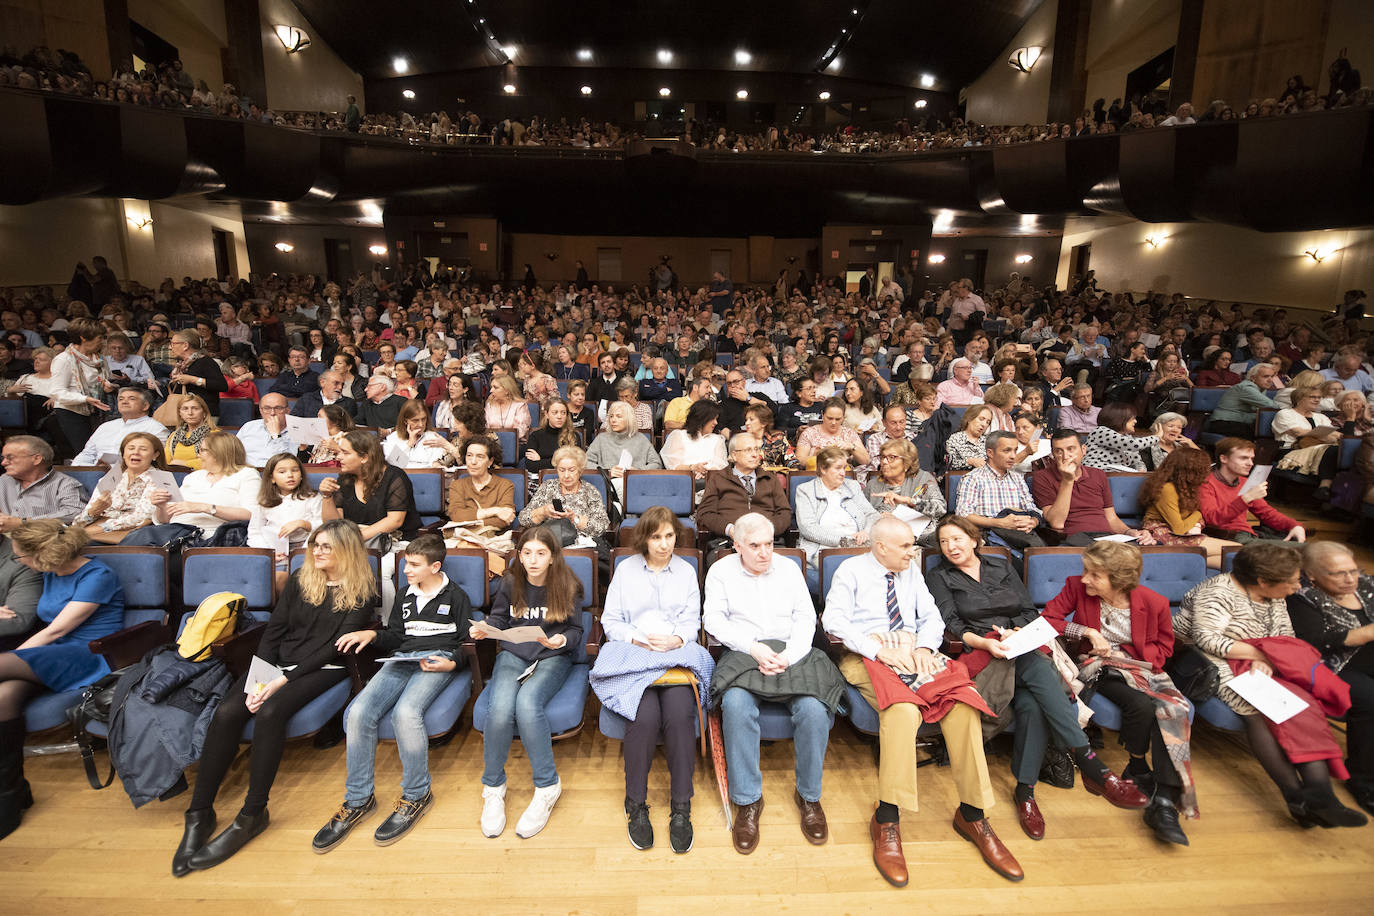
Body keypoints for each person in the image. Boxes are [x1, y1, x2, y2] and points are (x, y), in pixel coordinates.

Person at [823, 516, 1022, 884]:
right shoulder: (850, 571)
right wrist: (877, 650)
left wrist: (927, 647)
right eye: (905, 546)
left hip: (914, 650)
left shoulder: (910, 572)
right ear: (881, 547)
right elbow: (833, 620)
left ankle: (973, 814)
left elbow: (930, 617)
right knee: (902, 711)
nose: (913, 552)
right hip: (867, 653)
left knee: (964, 705)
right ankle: (886, 818)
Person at [925, 515, 1147, 842]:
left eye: (956, 539)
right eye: (944, 542)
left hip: (1020, 644)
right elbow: (953, 625)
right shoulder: (939, 576)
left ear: (974, 539)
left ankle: (1026, 792)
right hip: (982, 653)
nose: (950, 547)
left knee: (1033, 704)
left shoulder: (1002, 566)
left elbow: (1029, 611)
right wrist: (987, 641)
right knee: (1036, 667)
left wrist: (1018, 631)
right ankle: (1089, 765)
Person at [174, 520, 377, 874]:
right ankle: (200, 812)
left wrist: (281, 681)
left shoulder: (361, 592)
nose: (317, 551)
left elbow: (332, 650)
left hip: (323, 667)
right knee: (227, 712)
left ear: (347, 550)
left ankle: (253, 813)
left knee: (269, 715)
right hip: (280, 662)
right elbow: (274, 632)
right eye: (315, 544)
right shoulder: (302, 580)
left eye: (326, 546)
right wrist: (260, 676)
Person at [1177, 543, 1365, 828]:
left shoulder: (1274, 595)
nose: (1296, 588)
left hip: (1260, 658)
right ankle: (1296, 798)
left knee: (1303, 707)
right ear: (1263, 580)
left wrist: (1271, 658)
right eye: (1290, 582)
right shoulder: (1217, 593)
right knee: (1257, 708)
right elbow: (1208, 641)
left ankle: (1320, 795)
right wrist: (1263, 655)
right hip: (1208, 661)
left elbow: (1285, 635)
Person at [313, 532, 474, 851]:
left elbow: (464, 643)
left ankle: (417, 794)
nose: (406, 570)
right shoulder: (404, 595)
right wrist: (371, 635)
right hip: (402, 659)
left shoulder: (456, 596)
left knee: (406, 713)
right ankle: (358, 799)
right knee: (358, 713)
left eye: (414, 565)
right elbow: (397, 637)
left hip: (436, 659)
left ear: (435, 566)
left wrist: (451, 664)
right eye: (406, 563)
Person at [704, 512, 845, 855]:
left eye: (768, 544)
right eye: (754, 546)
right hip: (743, 649)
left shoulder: (788, 568)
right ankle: (748, 801)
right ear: (737, 545)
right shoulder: (721, 571)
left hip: (790, 651)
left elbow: (805, 617)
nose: (764, 553)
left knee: (814, 709)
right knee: (735, 705)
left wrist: (791, 655)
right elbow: (713, 619)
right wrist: (753, 648)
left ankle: (809, 797)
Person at [1043, 542, 1195, 845]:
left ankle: (1165, 799)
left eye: (1095, 575)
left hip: (1140, 667)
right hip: (1097, 666)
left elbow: (1164, 649)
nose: (1085, 579)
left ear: (1119, 579)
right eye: (1086, 571)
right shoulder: (1077, 587)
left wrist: (1128, 654)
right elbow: (1049, 618)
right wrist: (1087, 632)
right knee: (1142, 705)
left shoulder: (1155, 603)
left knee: (1175, 710)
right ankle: (1138, 765)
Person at [595, 508, 711, 853]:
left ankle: (681, 806)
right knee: (643, 718)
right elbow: (611, 619)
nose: (664, 544)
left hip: (674, 653)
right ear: (644, 538)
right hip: (636, 652)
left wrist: (677, 638)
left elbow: (693, 619)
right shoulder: (626, 570)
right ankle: (636, 804)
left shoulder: (687, 571)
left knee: (679, 715)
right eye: (656, 537)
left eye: (670, 536)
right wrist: (635, 638)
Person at [0, 521, 125, 840]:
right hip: (54, 653)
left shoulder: (98, 575)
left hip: (87, 655)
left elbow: (56, 630)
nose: (19, 562)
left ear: (42, 554)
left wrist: (16, 659)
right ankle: (12, 795)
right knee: (3, 698)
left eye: (20, 557)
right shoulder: (51, 573)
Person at [473, 526, 584, 839]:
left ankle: (547, 785)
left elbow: (576, 631)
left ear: (552, 557)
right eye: (527, 553)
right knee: (499, 709)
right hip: (513, 652)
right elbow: (498, 618)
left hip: (552, 656)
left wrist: (561, 637)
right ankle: (493, 787)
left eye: (541, 553)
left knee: (527, 703)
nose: (533, 560)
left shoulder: (567, 582)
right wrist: (486, 628)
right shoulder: (511, 581)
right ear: (518, 555)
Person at [1288, 541, 1374, 815]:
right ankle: (1363, 780)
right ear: (1312, 574)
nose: (1350, 579)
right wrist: (1365, 633)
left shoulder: (1367, 585)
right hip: (1333, 667)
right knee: (1370, 700)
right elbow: (1313, 641)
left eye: (1353, 570)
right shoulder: (1301, 597)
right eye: (1338, 574)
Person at [129, 430, 258, 548]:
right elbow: (164, 520)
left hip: (210, 537)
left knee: (143, 545)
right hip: (175, 532)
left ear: (219, 453)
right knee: (137, 540)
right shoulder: (193, 477)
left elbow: (252, 515)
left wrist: (204, 507)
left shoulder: (246, 474)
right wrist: (161, 506)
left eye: (202, 450)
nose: (198, 455)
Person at [1032, 430, 1155, 546]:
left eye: (1071, 449)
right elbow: (1057, 523)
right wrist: (1067, 480)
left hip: (1106, 537)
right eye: (1058, 451)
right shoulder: (1042, 477)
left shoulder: (1098, 474)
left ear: (1083, 450)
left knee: (1143, 548)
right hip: (1073, 538)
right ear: (1053, 454)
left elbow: (1111, 517)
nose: (1065, 456)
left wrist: (1130, 532)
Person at [795, 446, 880, 593]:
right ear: (823, 469)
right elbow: (808, 528)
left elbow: (872, 515)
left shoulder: (852, 486)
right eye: (838, 468)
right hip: (825, 549)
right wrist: (845, 540)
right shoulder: (805, 490)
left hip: (860, 545)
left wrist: (866, 532)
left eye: (844, 467)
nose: (843, 473)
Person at [319, 431, 420, 550]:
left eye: (345, 453)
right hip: (354, 544)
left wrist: (356, 538)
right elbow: (334, 524)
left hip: (393, 543)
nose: (339, 457)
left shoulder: (395, 477)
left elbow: (395, 520)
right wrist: (327, 496)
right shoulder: (345, 479)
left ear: (364, 458)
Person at [1198, 437, 1304, 542]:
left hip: (1247, 534)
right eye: (1243, 458)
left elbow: (1266, 513)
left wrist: (1294, 525)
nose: (1250, 463)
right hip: (1229, 536)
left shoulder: (1244, 482)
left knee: (1295, 541)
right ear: (1224, 459)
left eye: (1251, 459)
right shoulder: (1206, 483)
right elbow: (1212, 519)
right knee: (1300, 550)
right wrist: (1246, 498)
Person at [956, 431, 1046, 549]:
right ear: (990, 453)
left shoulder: (1017, 478)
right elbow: (963, 515)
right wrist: (999, 523)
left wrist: (1033, 521)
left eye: (1015, 450)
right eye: (1007, 450)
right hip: (988, 538)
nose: (1013, 456)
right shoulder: (973, 479)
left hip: (1020, 535)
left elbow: (1031, 508)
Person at [73, 432, 168, 543]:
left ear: (155, 455)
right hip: (95, 529)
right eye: (131, 448)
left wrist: (103, 528)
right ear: (123, 454)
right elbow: (84, 517)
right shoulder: (112, 477)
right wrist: (91, 513)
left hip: (132, 534)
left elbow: (142, 518)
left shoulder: (161, 478)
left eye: (143, 449)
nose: (136, 452)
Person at [696, 433, 791, 542]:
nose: (755, 454)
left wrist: (769, 529)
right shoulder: (718, 478)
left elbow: (784, 512)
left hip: (768, 540)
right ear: (734, 455)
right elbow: (705, 514)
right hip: (728, 541)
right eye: (748, 450)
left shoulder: (770, 478)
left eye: (756, 449)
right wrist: (729, 529)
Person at [247, 453, 323, 590]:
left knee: (302, 578)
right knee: (278, 578)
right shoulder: (264, 502)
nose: (290, 475)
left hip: (306, 548)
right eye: (282, 472)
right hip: (276, 550)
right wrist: (269, 553)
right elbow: (255, 532)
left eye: (295, 470)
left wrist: (303, 524)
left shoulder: (312, 497)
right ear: (272, 478)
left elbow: (323, 525)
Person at [46, 318, 110, 460]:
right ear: (83, 338)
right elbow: (57, 392)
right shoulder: (64, 359)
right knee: (85, 453)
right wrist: (85, 399)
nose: (103, 342)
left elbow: (104, 380)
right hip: (71, 412)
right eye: (100, 338)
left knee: (100, 452)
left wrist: (109, 386)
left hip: (96, 411)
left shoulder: (100, 359)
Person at [518, 445, 610, 540]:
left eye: (571, 470)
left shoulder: (590, 491)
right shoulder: (547, 487)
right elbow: (523, 518)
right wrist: (543, 512)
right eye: (561, 470)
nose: (566, 475)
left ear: (580, 471)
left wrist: (575, 519)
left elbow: (602, 526)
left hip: (582, 544)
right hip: (551, 542)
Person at [864, 438, 944, 546]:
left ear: (907, 463)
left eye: (891, 457)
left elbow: (941, 509)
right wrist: (879, 518)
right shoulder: (873, 485)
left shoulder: (923, 479)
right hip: (885, 541)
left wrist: (910, 501)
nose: (884, 461)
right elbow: (862, 517)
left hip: (921, 540)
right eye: (883, 457)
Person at [0, 436, 87, 531]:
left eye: (10, 457)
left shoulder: (65, 484)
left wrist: (24, 522)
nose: (3, 463)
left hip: (44, 540)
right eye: (3, 458)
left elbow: (76, 514)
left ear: (37, 459)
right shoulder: (4, 481)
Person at [1272, 386, 1342, 500]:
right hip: (1292, 449)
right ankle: (1325, 487)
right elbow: (1298, 432)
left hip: (1320, 448)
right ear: (1299, 399)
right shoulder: (1285, 414)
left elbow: (1336, 435)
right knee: (1332, 450)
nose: (1317, 400)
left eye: (1319, 397)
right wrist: (1325, 435)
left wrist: (1330, 435)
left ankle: (1328, 490)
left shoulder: (1321, 417)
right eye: (1312, 397)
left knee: (1336, 450)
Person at [585, 402, 664, 501]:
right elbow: (585, 462)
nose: (613, 420)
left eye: (618, 416)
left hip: (636, 483)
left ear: (629, 419)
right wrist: (607, 471)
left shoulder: (641, 439)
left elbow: (656, 463)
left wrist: (637, 471)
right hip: (610, 484)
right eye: (611, 416)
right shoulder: (601, 439)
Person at [72, 387, 169, 465]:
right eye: (121, 399)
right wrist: (78, 469)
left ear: (145, 406)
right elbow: (87, 454)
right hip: (94, 473)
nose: (124, 401)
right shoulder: (105, 427)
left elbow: (154, 460)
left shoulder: (156, 429)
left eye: (131, 399)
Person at [446, 436, 516, 532]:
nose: (473, 462)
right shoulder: (457, 485)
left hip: (494, 540)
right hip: (463, 539)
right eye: (469, 455)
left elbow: (505, 518)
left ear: (490, 461)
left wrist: (470, 521)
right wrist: (495, 511)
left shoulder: (505, 485)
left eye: (480, 457)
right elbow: (456, 515)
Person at [167, 329, 229, 420]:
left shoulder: (206, 362)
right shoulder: (182, 365)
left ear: (185, 345)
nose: (169, 347)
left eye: (173, 344)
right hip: (184, 414)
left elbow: (222, 385)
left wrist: (192, 379)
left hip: (204, 415)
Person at [1205, 363, 1279, 438]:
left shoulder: (1261, 389)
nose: (1270, 380)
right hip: (1222, 423)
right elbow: (1272, 406)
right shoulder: (1246, 388)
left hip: (1238, 422)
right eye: (1265, 376)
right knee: (1264, 430)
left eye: (1272, 376)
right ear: (1253, 378)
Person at [660, 400, 728, 482]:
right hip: (683, 479)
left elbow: (720, 466)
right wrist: (693, 468)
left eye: (716, 419)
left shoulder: (717, 439)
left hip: (711, 481)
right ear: (701, 418)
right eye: (713, 419)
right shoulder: (679, 435)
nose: (716, 423)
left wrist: (705, 472)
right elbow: (674, 467)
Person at [796, 398, 871, 470]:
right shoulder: (809, 433)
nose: (833, 423)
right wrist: (818, 456)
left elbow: (866, 461)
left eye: (838, 419)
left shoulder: (849, 433)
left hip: (844, 476)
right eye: (830, 418)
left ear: (843, 417)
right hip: (816, 475)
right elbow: (798, 461)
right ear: (822, 415)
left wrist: (852, 447)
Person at [383, 399, 460, 469]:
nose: (421, 424)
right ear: (405, 421)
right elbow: (394, 464)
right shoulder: (393, 438)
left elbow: (435, 468)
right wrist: (409, 444)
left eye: (423, 419)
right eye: (415, 420)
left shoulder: (434, 438)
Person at [1083, 402, 1154, 471]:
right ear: (1120, 418)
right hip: (1095, 473)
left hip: (1118, 476)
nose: (1135, 421)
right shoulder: (1100, 431)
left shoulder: (1128, 438)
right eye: (1132, 418)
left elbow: (1138, 462)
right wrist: (1157, 437)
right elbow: (1134, 444)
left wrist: (1141, 470)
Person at [236, 392, 297, 468]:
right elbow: (233, 454)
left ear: (287, 410)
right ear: (261, 411)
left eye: (278, 408)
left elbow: (288, 463)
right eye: (267, 408)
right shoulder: (249, 427)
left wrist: (276, 436)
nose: (272, 413)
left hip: (279, 475)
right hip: (248, 474)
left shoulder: (297, 431)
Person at [290, 370, 358, 421]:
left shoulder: (349, 403)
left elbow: (349, 428)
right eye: (336, 383)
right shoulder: (307, 399)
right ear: (322, 383)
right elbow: (294, 421)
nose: (340, 387)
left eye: (342, 384)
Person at [945, 405, 993, 472]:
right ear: (970, 419)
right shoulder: (955, 439)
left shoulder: (989, 442)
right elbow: (948, 465)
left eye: (988, 422)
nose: (984, 424)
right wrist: (969, 462)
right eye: (981, 419)